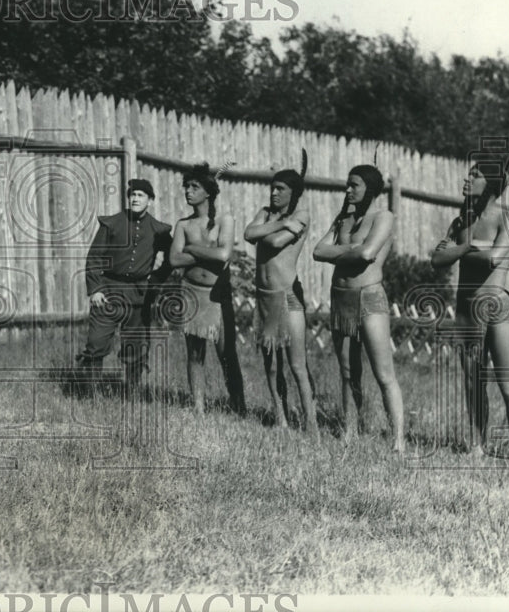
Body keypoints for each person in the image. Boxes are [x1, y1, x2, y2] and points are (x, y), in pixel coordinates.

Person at [430, 160, 509, 461]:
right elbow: (436, 261)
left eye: (476, 175)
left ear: (492, 184)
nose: (467, 178)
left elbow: (494, 259)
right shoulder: (461, 220)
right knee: (473, 381)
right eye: (469, 173)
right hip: (466, 308)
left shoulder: (507, 217)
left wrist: (458, 251)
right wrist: (464, 249)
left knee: (507, 382)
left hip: (496, 305)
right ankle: (477, 445)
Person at [313, 165, 404, 452]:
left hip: (370, 297)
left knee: (383, 373)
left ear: (371, 189)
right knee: (348, 370)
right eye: (347, 184)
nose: (348, 190)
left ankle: (398, 441)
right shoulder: (343, 219)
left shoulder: (384, 217)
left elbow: (368, 253)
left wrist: (340, 253)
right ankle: (350, 433)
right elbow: (317, 251)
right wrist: (350, 251)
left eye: (355, 185)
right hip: (341, 298)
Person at [77, 178, 172, 395]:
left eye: (141, 195)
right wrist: (96, 289)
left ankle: (133, 392)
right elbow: (94, 258)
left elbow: (171, 257)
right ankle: (90, 394)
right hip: (108, 292)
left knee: (136, 347)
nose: (136, 198)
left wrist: (156, 279)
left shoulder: (158, 230)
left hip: (139, 295)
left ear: (150, 200)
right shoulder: (112, 224)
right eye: (133, 195)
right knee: (96, 342)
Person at [244, 152, 317, 434]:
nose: (274, 193)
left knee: (297, 365)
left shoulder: (302, 215)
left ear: (293, 193)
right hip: (263, 297)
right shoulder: (266, 213)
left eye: (280, 189)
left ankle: (311, 425)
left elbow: (273, 241)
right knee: (271, 364)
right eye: (272, 188)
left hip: (287, 297)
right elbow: (249, 234)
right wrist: (278, 222)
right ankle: (280, 419)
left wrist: (276, 227)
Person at [169, 163, 245, 415]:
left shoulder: (225, 219)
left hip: (217, 295)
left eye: (194, 187)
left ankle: (238, 406)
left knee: (227, 354)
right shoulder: (183, 225)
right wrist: (204, 254)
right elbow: (174, 260)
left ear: (208, 192)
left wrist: (190, 249)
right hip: (191, 294)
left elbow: (224, 254)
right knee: (194, 355)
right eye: (186, 187)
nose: (188, 192)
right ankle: (198, 408)